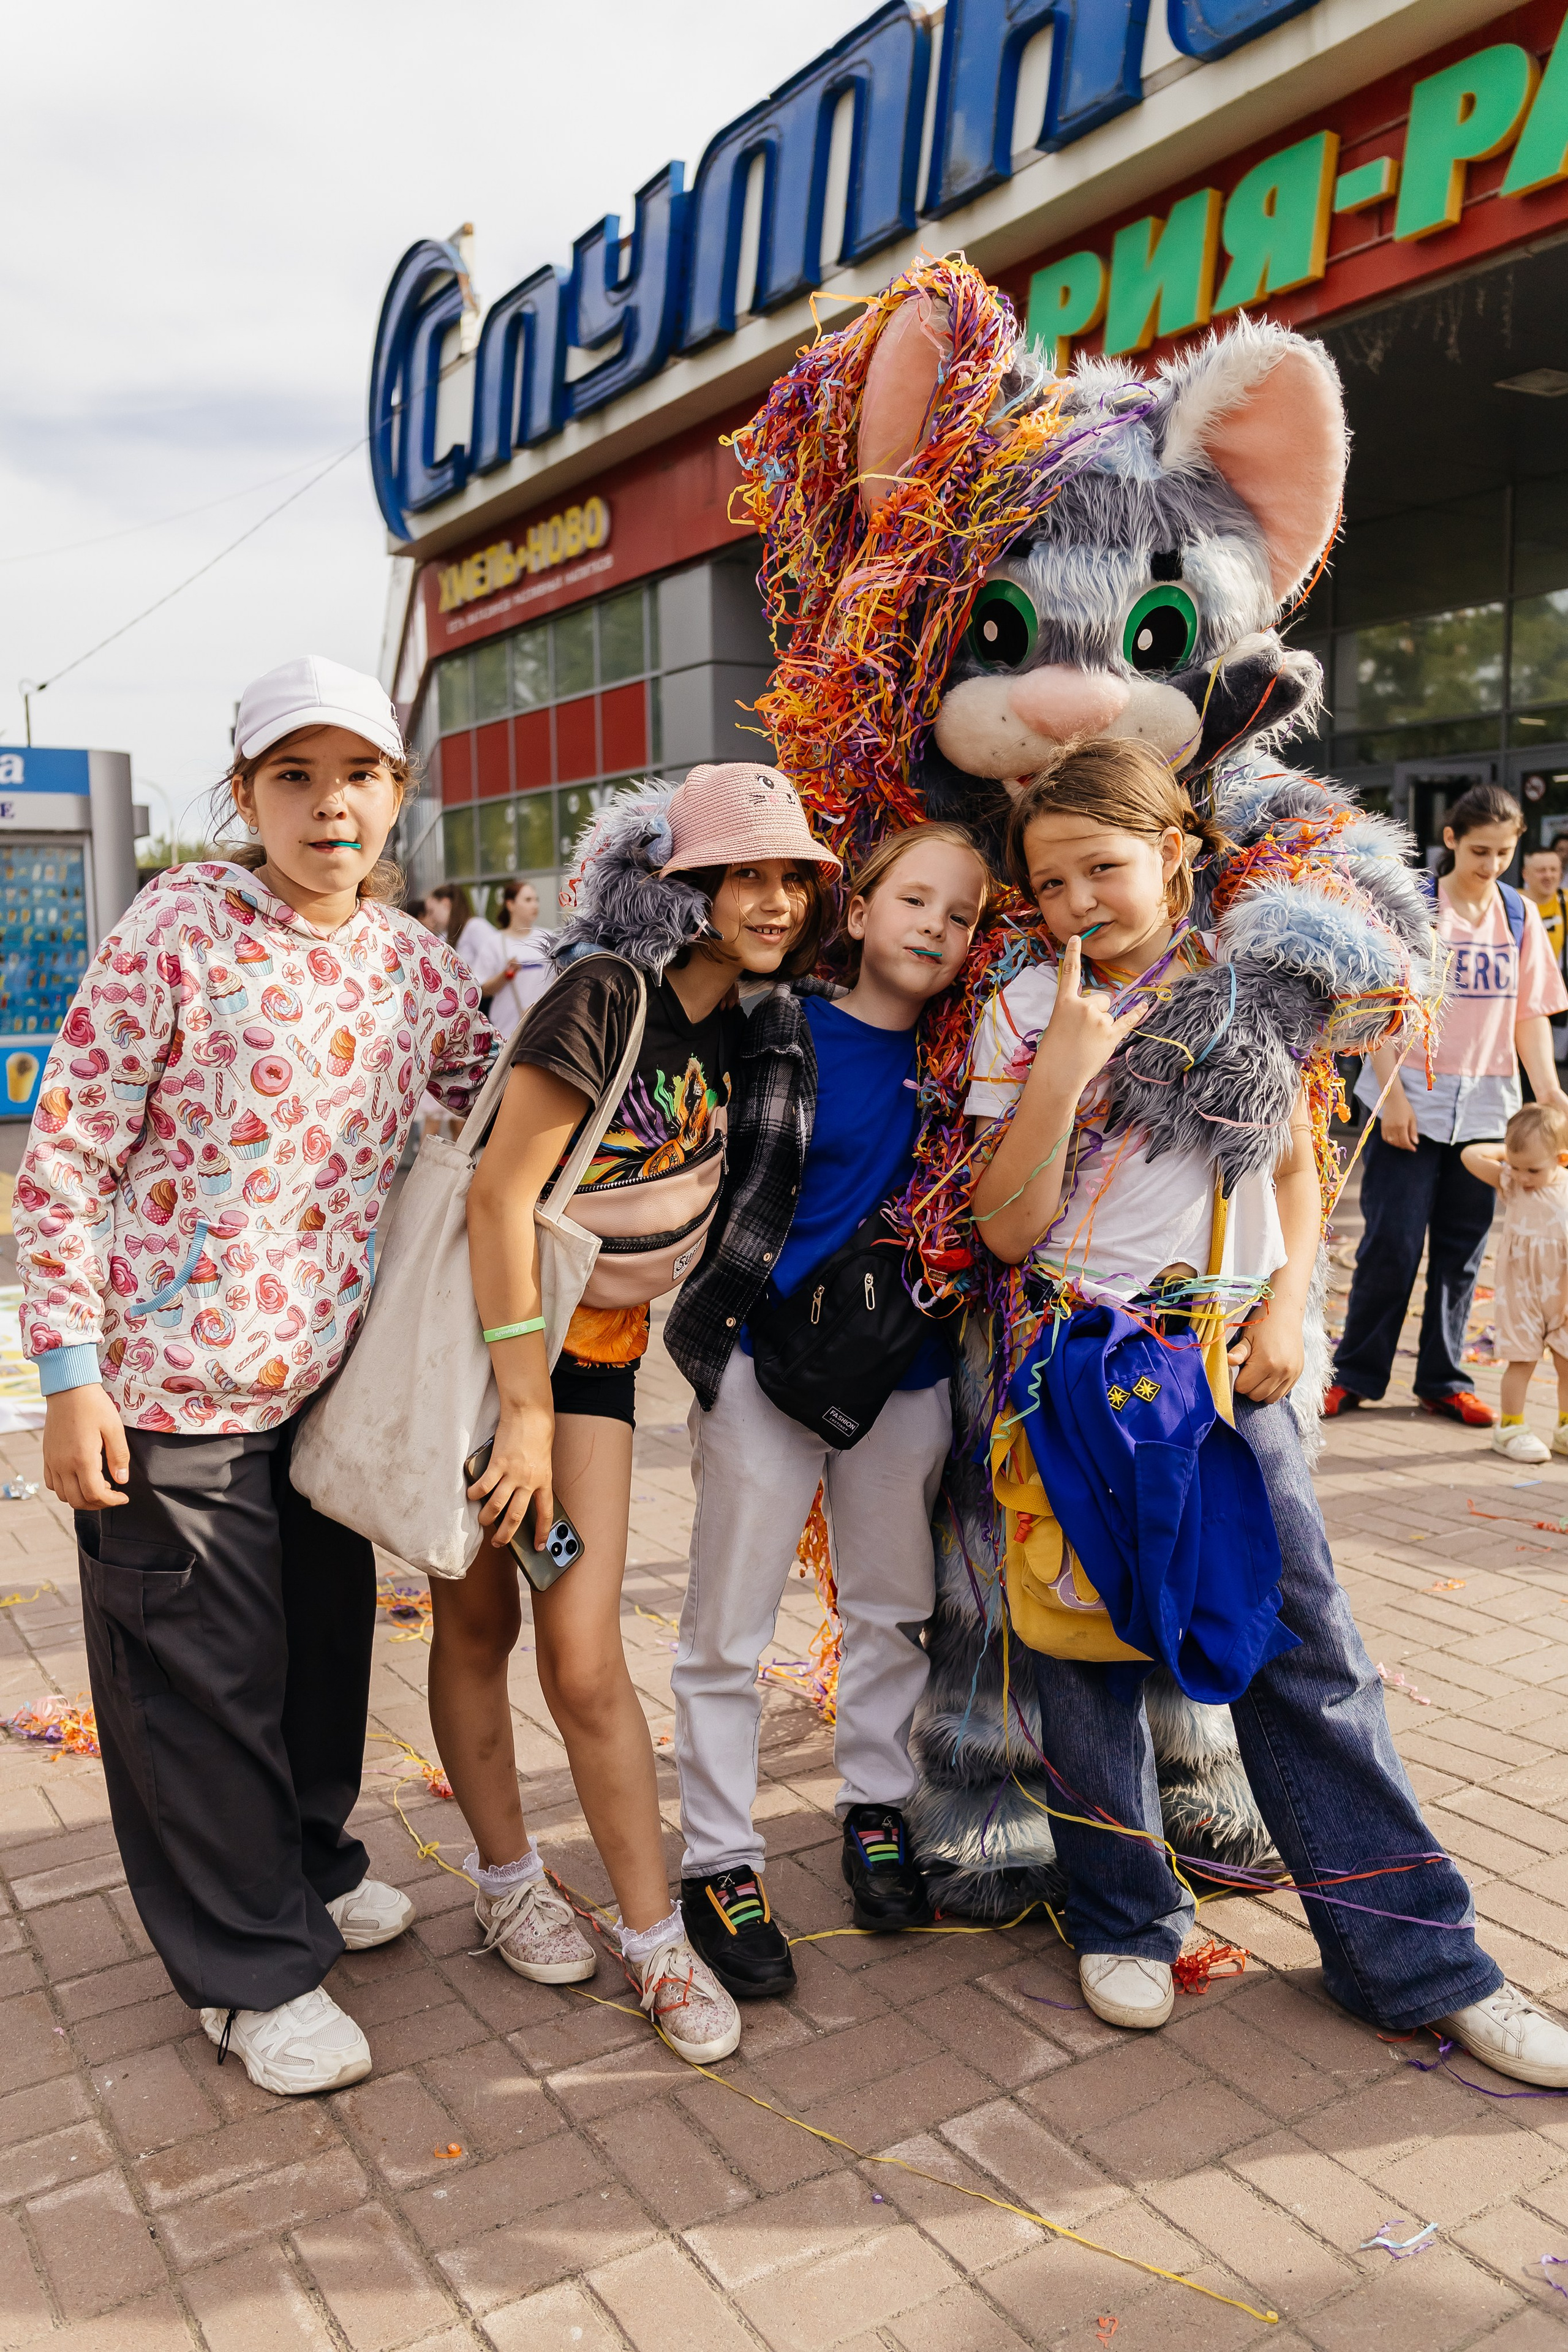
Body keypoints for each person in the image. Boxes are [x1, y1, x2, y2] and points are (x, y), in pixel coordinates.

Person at [962, 738, 1568, 2083]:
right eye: (1048, 884)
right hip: (1072, 1365)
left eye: (1102, 868)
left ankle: (1414, 1959)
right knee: (1083, 1650)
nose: (1076, 903)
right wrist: (1063, 1064)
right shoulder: (1022, 1008)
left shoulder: (1248, 986)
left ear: (1174, 854)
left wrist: (1289, 1309)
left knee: (1308, 1649)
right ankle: (1124, 1915)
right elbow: (1003, 1229)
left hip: (1229, 1368)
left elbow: (1296, 1170)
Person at [17, 655, 500, 2097]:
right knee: (199, 1691)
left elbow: (486, 1118)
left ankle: (304, 1862)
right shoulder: (177, 929)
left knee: (314, 1665)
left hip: (327, 1402)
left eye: (357, 775)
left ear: (396, 794)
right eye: (295, 775)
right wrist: (70, 1375)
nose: (328, 803)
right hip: (169, 1401)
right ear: (245, 796)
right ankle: (248, 1972)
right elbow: (68, 1152)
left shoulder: (416, 965)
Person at [437, 763, 840, 2066]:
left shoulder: (747, 1028)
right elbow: (497, 1198)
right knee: (480, 1620)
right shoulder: (606, 994)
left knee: (580, 1651)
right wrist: (519, 1408)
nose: (772, 899)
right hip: (488, 1356)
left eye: (791, 877)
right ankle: (509, 1882)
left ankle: (654, 1939)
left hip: (595, 1361)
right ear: (678, 886)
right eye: (741, 874)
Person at [663, 824, 990, 2001]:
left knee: (891, 1612)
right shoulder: (777, 1028)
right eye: (913, 899)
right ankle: (719, 1860)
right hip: (764, 1363)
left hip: (906, 1373)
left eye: (960, 915)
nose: (934, 926)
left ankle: (877, 1813)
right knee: (728, 1630)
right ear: (856, 911)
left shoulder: (970, 1058)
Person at [1325, 784, 1568, 1425]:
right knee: (1393, 1243)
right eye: (1480, 851)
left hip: (1488, 1110)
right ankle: (1354, 1375)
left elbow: (1529, 1015)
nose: (1492, 865)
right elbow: (1378, 1008)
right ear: (1452, 840)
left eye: (1504, 853)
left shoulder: (1519, 915)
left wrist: (1548, 1091)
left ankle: (1443, 1379)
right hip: (1410, 1099)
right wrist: (1393, 1098)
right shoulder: (1416, 908)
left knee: (1462, 1251)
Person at [1462, 1101, 1568, 1463]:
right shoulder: (1512, 1183)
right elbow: (1470, 1155)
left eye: (1533, 1169)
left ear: (1561, 1158)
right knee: (1522, 1362)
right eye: (1516, 1166)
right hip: (1522, 1294)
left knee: (1566, 1362)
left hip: (1563, 1294)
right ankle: (1511, 1428)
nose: (1523, 1176)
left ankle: (1565, 1427)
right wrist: (1509, 1153)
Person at [1524, 839, 1568, 1085]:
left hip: (1549, 991)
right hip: (1519, 993)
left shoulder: (1564, 901)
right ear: (1526, 874)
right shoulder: (1513, 904)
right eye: (1541, 870)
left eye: (1554, 870)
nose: (1549, 876)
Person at [488, 878, 554, 1035]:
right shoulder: (495, 943)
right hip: (507, 1030)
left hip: (545, 1027)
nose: (535, 905)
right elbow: (483, 990)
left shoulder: (548, 938)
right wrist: (505, 975)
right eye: (528, 900)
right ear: (510, 905)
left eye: (536, 900)